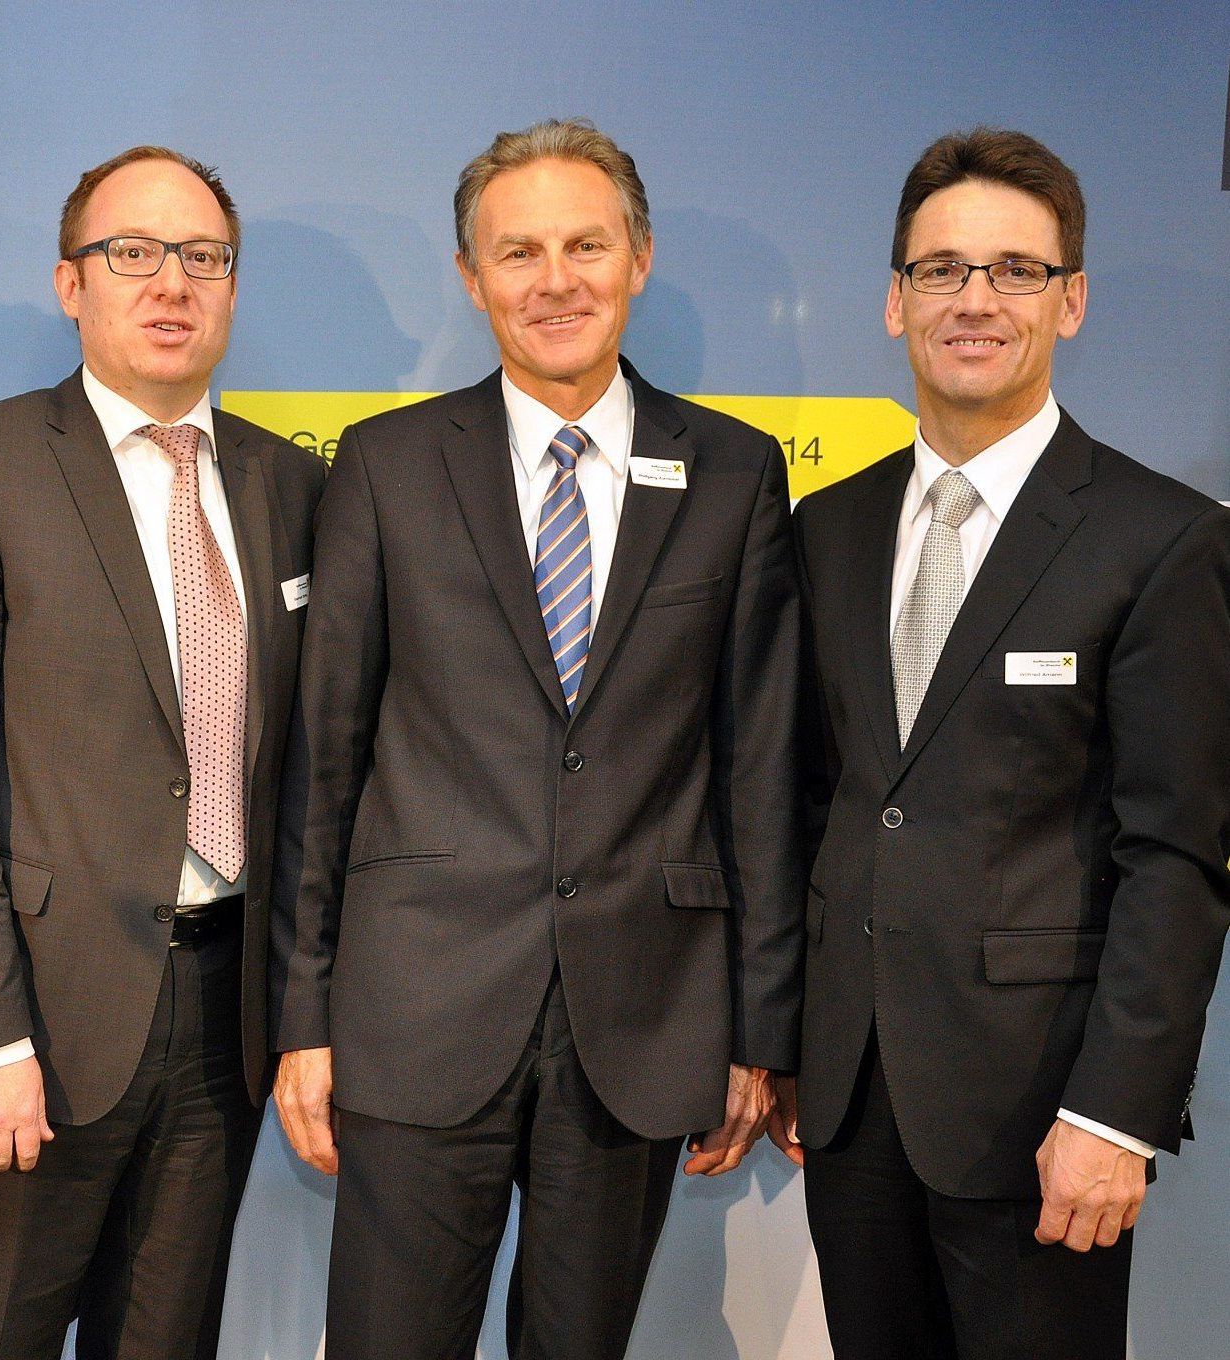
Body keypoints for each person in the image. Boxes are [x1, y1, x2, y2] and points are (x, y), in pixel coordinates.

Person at [270, 118, 805, 1360]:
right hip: (414, 1011)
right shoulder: (387, 465)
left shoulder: (731, 471)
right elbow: (324, 761)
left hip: (644, 1013)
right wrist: (305, 1016)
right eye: (519, 252)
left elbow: (760, 769)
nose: (554, 280)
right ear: (472, 277)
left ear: (638, 257)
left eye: (585, 245)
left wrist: (757, 1027)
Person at [779, 127, 1230, 1360]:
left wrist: (1116, 1113)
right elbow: (818, 802)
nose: (974, 300)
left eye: (1016, 271)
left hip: (1045, 1118)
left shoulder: (1162, 539)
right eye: (941, 270)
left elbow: (1178, 855)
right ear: (893, 300)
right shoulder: (827, 527)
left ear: (1069, 300)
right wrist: (778, 1045)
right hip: (853, 1100)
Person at [0, 145, 326, 1360]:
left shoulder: (294, 485)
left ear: (232, 288)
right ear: (71, 283)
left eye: (202, 257)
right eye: (130, 253)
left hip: (225, 1013)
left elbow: (309, 781)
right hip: (37, 1021)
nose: (168, 283)